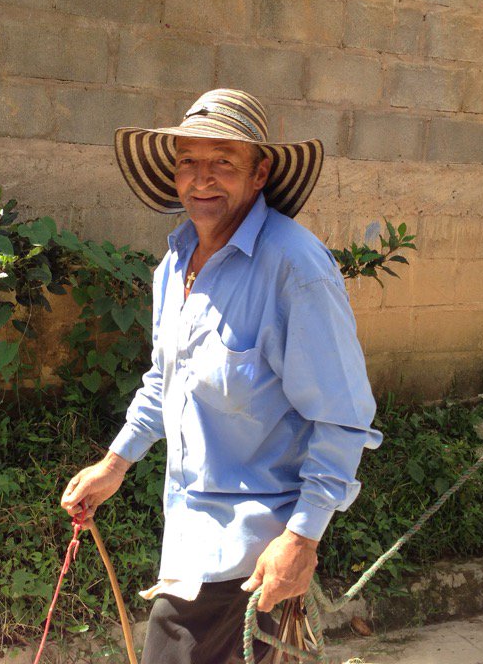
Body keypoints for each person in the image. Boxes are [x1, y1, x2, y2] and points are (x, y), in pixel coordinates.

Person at [61, 89, 382, 664]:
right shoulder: (175, 264)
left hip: (252, 555)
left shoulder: (295, 267)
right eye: (189, 160)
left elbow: (342, 418)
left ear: (259, 174)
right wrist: (114, 464)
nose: (201, 179)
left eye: (223, 163)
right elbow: (166, 380)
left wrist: (301, 540)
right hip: (188, 539)